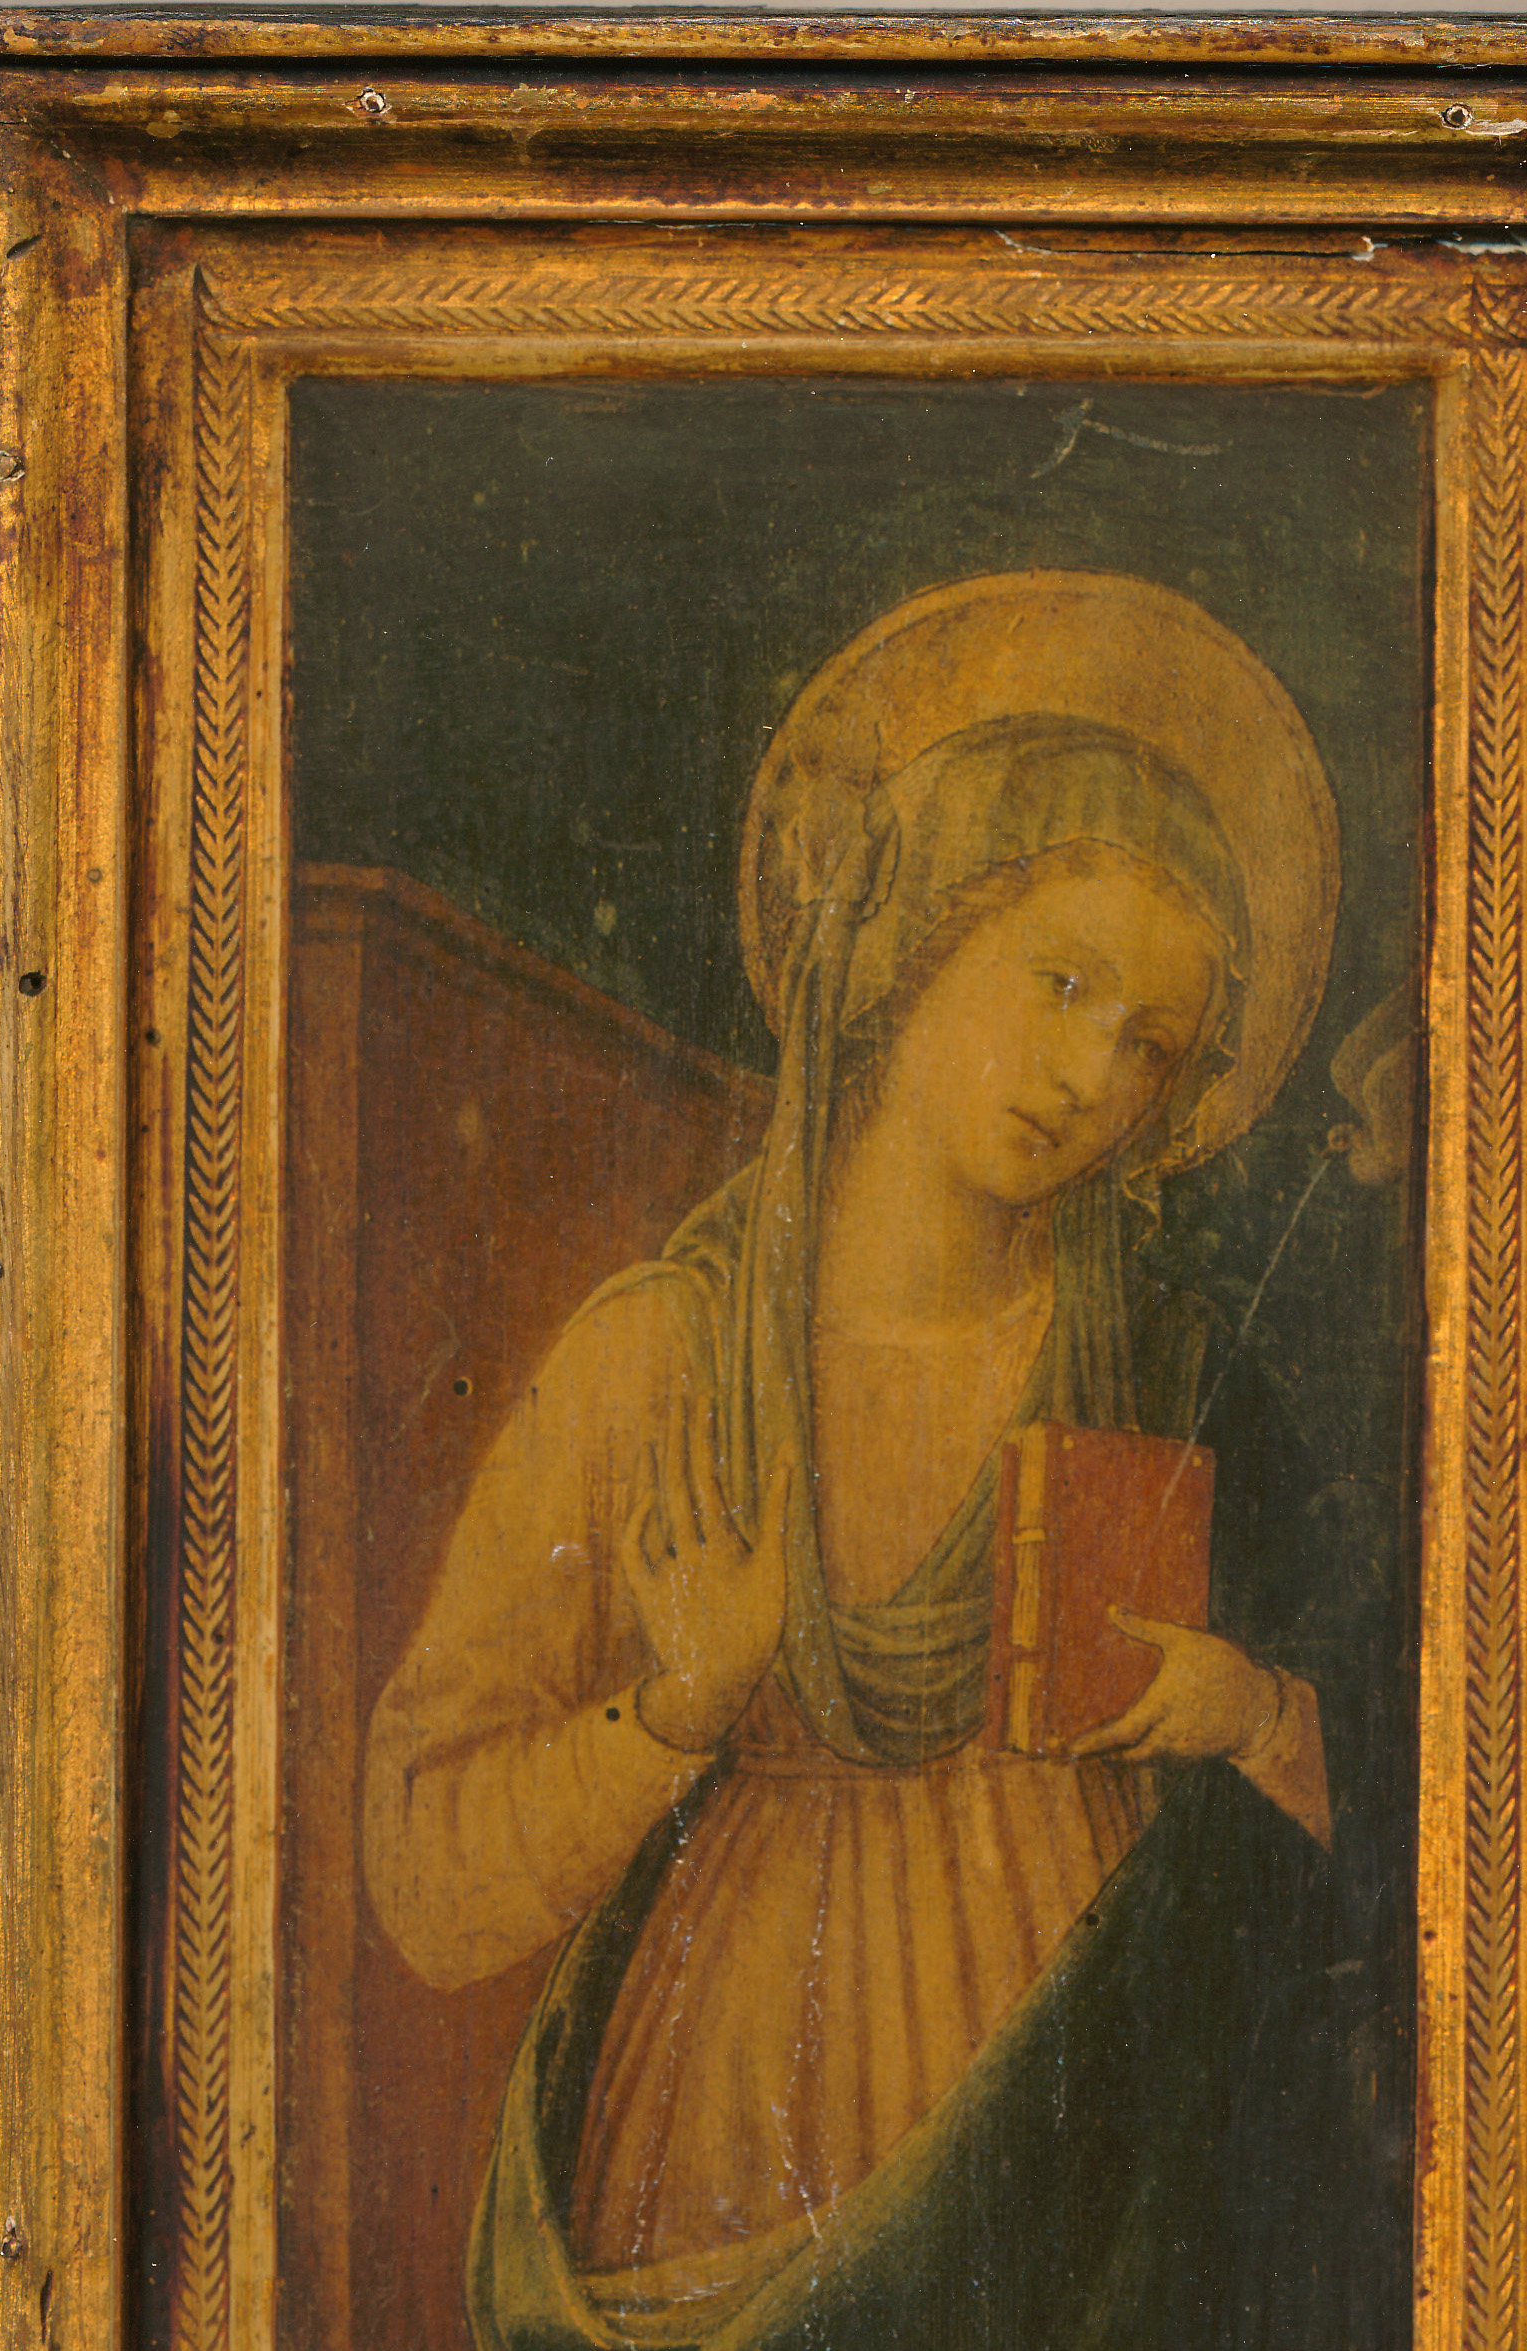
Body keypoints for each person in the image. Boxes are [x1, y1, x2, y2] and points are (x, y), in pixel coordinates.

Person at [364, 574, 1383, 2351]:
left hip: (1103, 2115)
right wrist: (677, 1712)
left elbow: (1447, 1815)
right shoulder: (666, 1360)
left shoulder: (1183, 1372)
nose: (1091, 1073)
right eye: (1060, 982)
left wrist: (1257, 1714)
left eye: (1149, 1043)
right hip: (734, 2126)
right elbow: (429, 1873)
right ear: (914, 948)